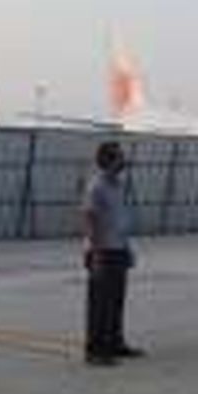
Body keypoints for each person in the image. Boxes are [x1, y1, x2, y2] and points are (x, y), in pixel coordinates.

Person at [81, 141, 144, 367]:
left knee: (116, 301)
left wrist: (127, 247)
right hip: (102, 251)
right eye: (120, 157)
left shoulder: (117, 185)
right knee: (99, 304)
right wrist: (96, 254)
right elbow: (90, 219)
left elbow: (120, 219)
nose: (124, 161)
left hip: (118, 249)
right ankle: (94, 350)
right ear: (108, 160)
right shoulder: (96, 186)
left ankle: (115, 343)